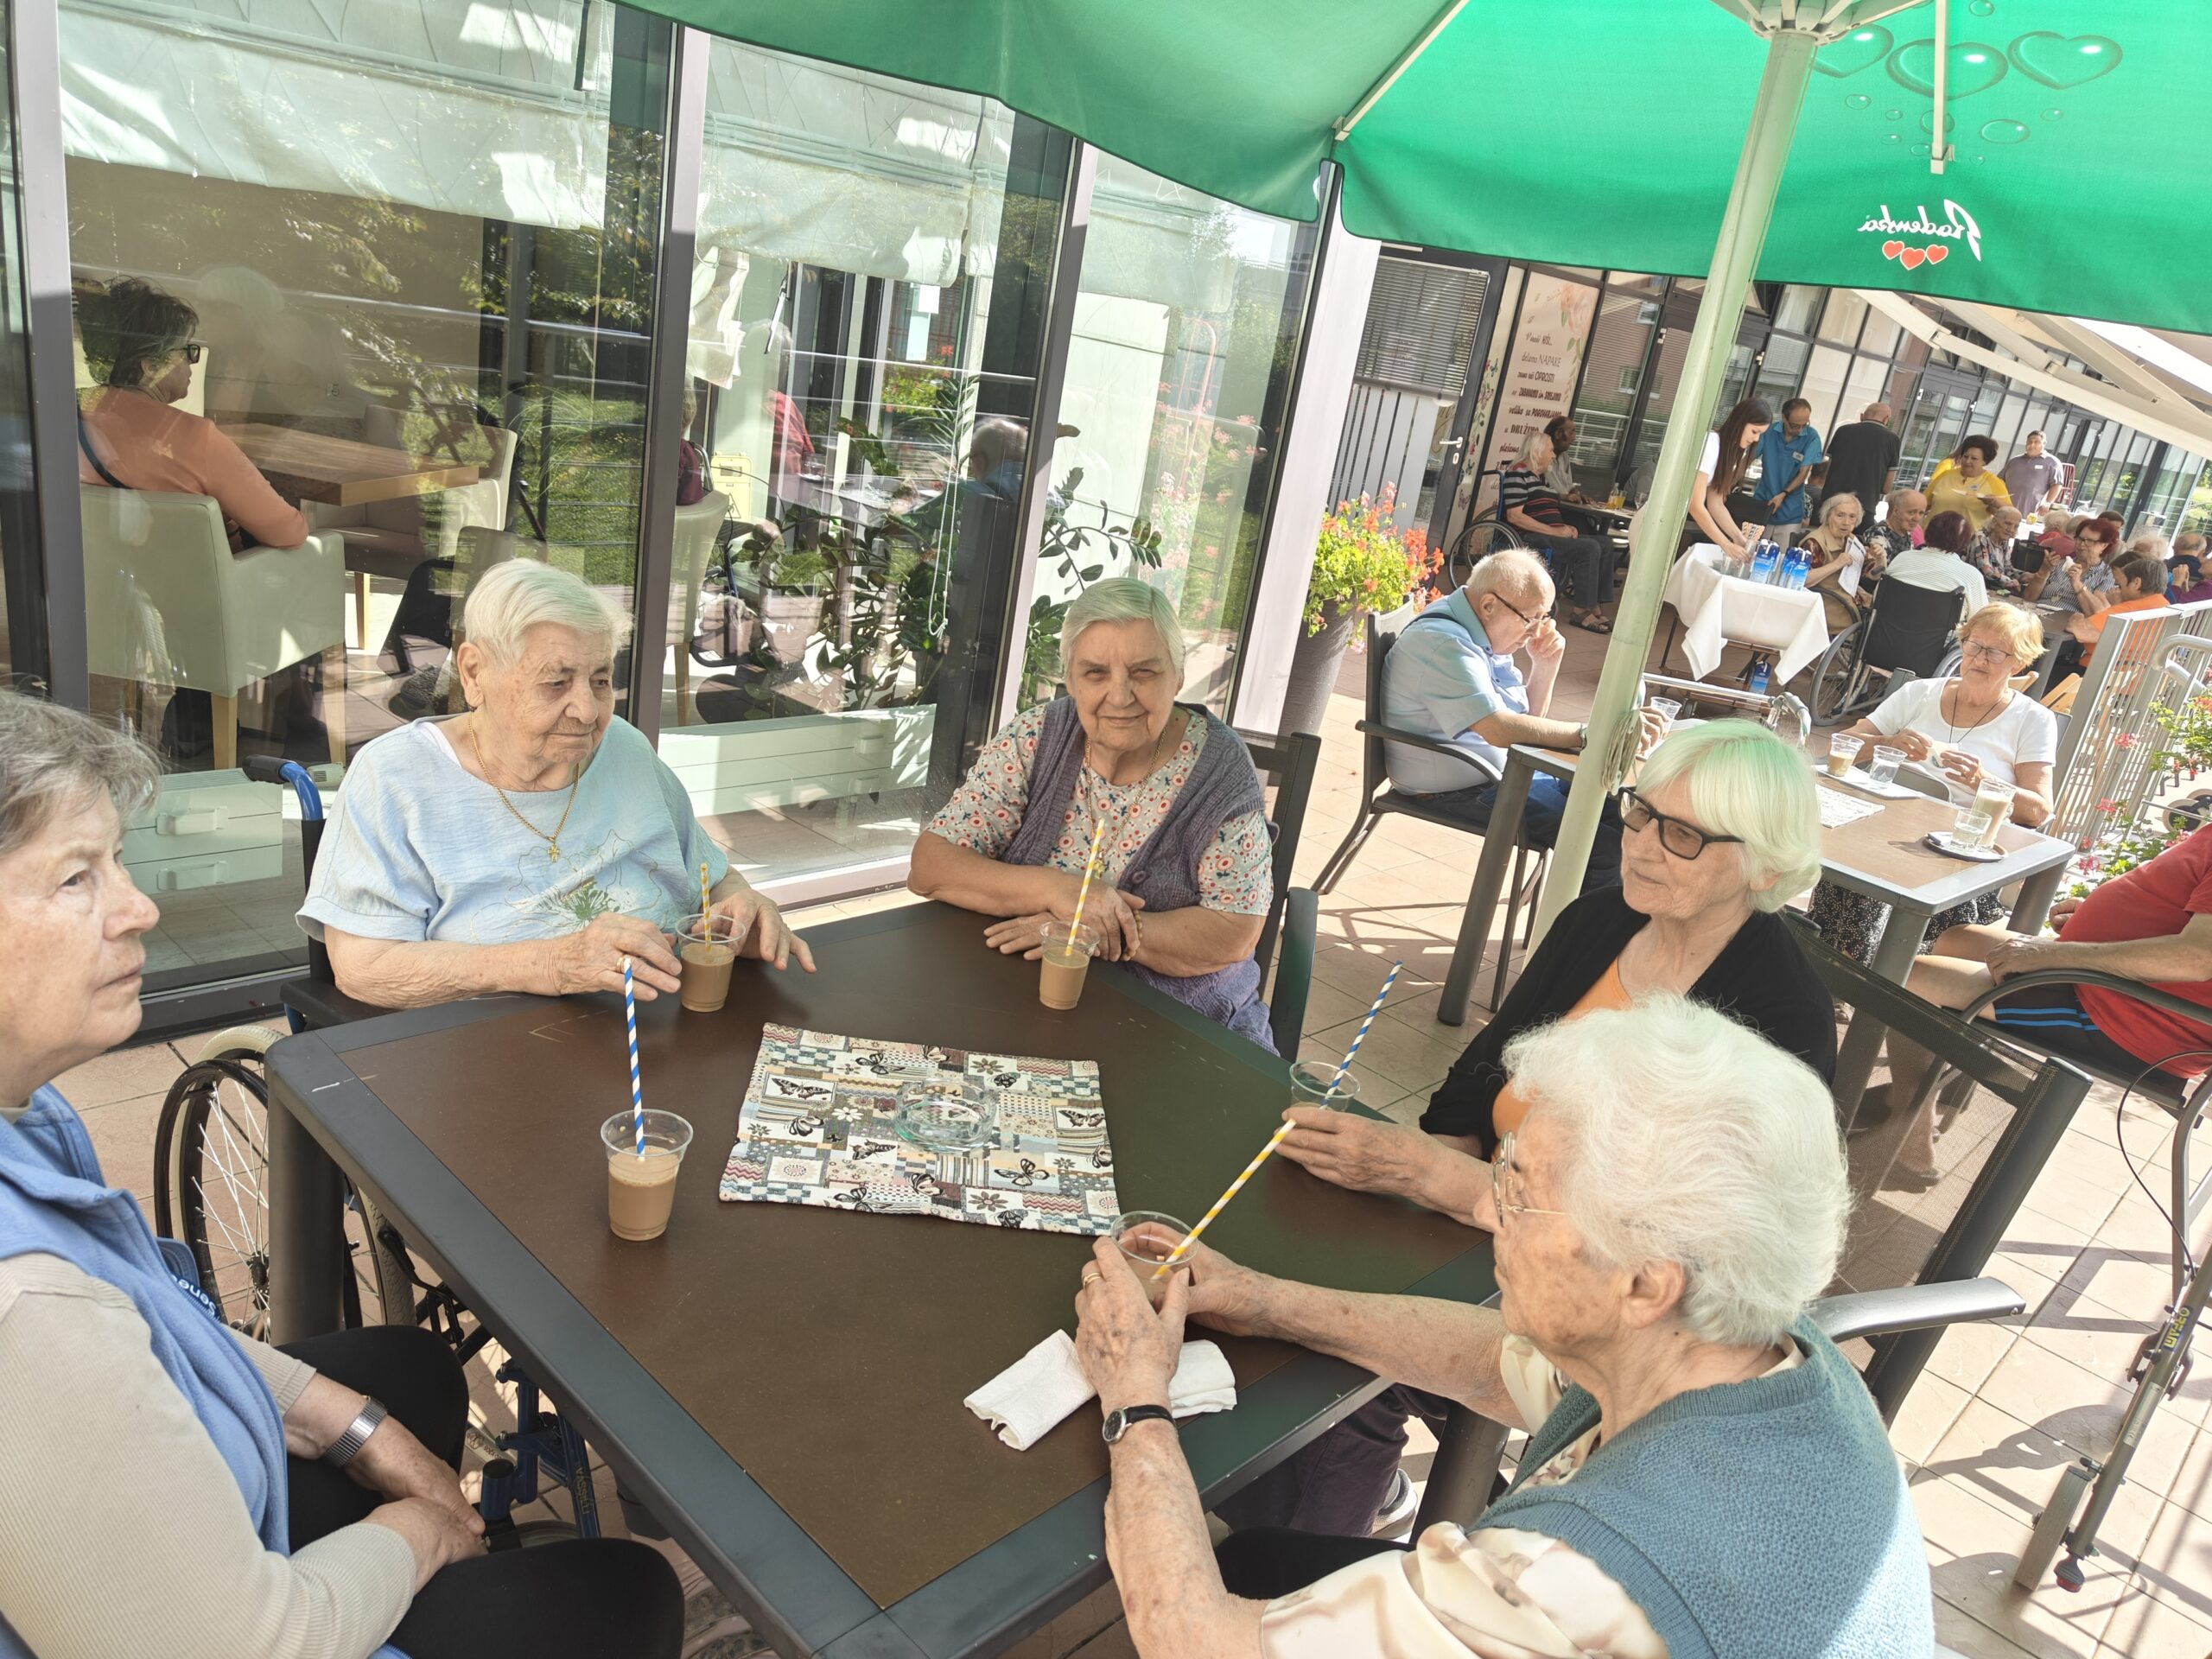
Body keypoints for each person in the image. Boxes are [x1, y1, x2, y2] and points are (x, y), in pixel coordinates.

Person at [0, 691, 684, 1658]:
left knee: (407, 1373)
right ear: (478, 673)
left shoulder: (25, 1109)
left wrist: (358, 1429)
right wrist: (422, 1532)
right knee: (626, 1593)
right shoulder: (30, 1320)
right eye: (76, 877)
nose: (140, 908)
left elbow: (157, 1321)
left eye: (117, 862)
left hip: (180, 1487)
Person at [1071, 1000, 1932, 1659]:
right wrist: (1261, 1298)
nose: (1492, 1209)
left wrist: (1134, 1393)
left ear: (1643, 1282)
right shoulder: (1754, 1346)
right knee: (1261, 1559)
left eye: (1521, 1190)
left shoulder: (1562, 1581)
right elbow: (1497, 1365)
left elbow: (1191, 1636)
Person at [1220, 721, 1834, 1538]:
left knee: (1347, 1358)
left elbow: (1664, 1260)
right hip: (1488, 1216)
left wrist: (1430, 1178)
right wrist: (1431, 1164)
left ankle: (1303, 1551)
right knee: (1288, 1243)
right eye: (1642, 813)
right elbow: (1477, 1080)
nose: (1643, 845)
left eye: (1683, 835)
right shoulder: (1600, 921)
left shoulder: (1780, 1019)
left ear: (1765, 865)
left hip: (1602, 1293)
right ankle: (1290, 1514)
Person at [302, 560, 811, 1008]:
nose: (587, 711)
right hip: (493, 1048)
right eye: (556, 682)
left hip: (660, 1027)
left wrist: (743, 911)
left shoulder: (625, 748)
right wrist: (549, 965)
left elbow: (712, 878)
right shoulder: (396, 777)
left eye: (601, 680)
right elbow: (365, 967)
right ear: (475, 673)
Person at [909, 578, 1278, 1046]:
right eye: (1095, 673)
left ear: (1178, 675)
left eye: (1144, 672)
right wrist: (1060, 891)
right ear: (1070, 679)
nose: (1120, 696)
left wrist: (1089, 930)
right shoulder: (1036, 738)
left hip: (1175, 1030)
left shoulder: (1220, 771)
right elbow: (930, 866)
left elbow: (1235, 933)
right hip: (1020, 1007)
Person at [1877, 824, 2212, 1187]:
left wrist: (2056, 954)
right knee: (1956, 938)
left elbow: (2197, 957)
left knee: (1910, 977)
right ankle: (1920, 1089)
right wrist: (2107, 921)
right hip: (2117, 990)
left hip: (2128, 1019)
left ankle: (1910, 1143)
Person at [1376, 549, 1664, 896]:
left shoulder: (1477, 630)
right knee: (1601, 849)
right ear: (1489, 605)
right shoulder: (1444, 643)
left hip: (1502, 772)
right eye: (1532, 618)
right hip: (1459, 789)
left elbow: (1525, 724)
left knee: (1618, 810)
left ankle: (1611, 922)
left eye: (1545, 617)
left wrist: (1545, 665)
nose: (1538, 630)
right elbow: (1500, 729)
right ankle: (1575, 930)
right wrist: (1596, 735)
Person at [1809, 603, 2057, 968]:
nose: (1979, 658)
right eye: (1973, 645)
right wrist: (1887, 743)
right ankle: (1838, 965)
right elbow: (1840, 746)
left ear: (2018, 663)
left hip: (1956, 856)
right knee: (1855, 859)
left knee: (1876, 873)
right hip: (1881, 828)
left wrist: (1983, 782)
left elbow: (2038, 810)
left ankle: (1855, 970)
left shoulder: (2032, 720)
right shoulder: (1920, 694)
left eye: (1995, 652)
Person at [74, 277, 309, 550]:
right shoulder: (195, 439)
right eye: (185, 350)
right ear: (152, 367)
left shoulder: (67, 419)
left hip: (101, 571)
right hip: (201, 576)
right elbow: (289, 532)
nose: (192, 361)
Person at [1499, 429, 1617, 632]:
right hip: (1531, 536)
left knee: (1605, 543)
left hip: (1550, 533)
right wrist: (1555, 531)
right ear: (1537, 451)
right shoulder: (1517, 474)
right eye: (1550, 451)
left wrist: (1565, 526)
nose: (1554, 455)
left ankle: (1594, 604)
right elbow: (1515, 517)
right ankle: (1581, 611)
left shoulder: (1540, 478)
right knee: (1589, 548)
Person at [2048, 555, 2171, 685]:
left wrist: (2077, 617)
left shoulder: (2130, 609)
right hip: (2138, 682)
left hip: (2102, 680)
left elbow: (2080, 631)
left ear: (2136, 583)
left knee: (2041, 672)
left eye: (2120, 585)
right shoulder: (2165, 607)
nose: (2118, 590)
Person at [1684, 397, 1770, 552]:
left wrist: (1739, 539)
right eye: (1754, 431)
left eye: (1760, 434)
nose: (1756, 439)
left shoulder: (1729, 451)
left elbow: (1716, 504)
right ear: (1740, 421)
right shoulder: (1710, 444)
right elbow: (1695, 505)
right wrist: (1725, 544)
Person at [1882, 507, 1988, 617]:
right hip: (1944, 628)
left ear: (1928, 532)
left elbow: (1878, 599)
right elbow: (1981, 620)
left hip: (1887, 626)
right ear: (1965, 542)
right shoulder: (1971, 576)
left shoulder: (1901, 559)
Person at [1794, 491, 1872, 629]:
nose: (1846, 522)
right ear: (1828, 516)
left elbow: (1871, 575)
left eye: (1852, 517)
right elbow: (1801, 580)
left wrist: (1880, 559)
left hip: (1854, 603)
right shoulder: (1815, 542)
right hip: (1830, 606)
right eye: (1840, 515)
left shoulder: (1851, 539)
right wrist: (1836, 564)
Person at [1815, 402, 1900, 521]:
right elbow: (1886, 488)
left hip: (1831, 503)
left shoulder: (1843, 431)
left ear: (1862, 416)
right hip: (1864, 507)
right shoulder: (1892, 439)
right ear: (1886, 419)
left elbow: (1829, 470)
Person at [1750, 397, 1821, 537]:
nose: (1800, 430)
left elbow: (1803, 473)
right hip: (1763, 503)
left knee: (1784, 550)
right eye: (1795, 425)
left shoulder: (1811, 437)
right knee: (1752, 547)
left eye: (1804, 425)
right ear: (1784, 417)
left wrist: (1784, 494)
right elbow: (1747, 460)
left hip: (1791, 512)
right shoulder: (1768, 432)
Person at [2022, 512, 2120, 616]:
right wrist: (2043, 572)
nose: (2081, 545)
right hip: (2037, 614)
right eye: (2079, 539)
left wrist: (2077, 584)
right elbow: (2028, 598)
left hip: (2068, 622)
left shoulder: (2107, 575)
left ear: (2104, 545)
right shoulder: (2060, 563)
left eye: (2089, 541)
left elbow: (2097, 613)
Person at [1925, 435, 2012, 532]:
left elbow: (2013, 514)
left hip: (1966, 540)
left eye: (1974, 458)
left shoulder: (1994, 483)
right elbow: (1925, 503)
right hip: (1929, 536)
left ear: (1985, 461)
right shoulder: (1945, 475)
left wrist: (1994, 502)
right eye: (1965, 456)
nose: (1967, 461)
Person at [1862, 486, 1928, 580]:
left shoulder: (1906, 533)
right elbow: (1872, 574)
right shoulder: (1878, 534)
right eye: (1911, 512)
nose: (1916, 518)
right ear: (1896, 511)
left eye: (1921, 513)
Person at [1999, 429, 2065, 515]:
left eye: (2036, 442)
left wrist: (2047, 503)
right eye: (2029, 442)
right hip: (2004, 507)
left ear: (2044, 443)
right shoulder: (2014, 461)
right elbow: (1999, 480)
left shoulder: (2052, 462)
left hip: (2030, 510)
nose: (2032, 445)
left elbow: (2057, 484)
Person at [1966, 505, 2026, 595]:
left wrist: (2025, 576)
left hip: (1996, 591)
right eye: (2007, 524)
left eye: (2016, 526)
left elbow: (2007, 569)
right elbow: (1987, 573)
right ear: (1994, 522)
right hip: (1977, 590)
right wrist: (2011, 582)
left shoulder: (2004, 541)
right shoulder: (1980, 538)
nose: (2011, 530)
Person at [1540, 415, 1589, 501]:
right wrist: (1563, 497)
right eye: (1571, 432)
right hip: (1549, 504)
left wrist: (1578, 496)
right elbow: (1536, 492)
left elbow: (1569, 487)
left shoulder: (1564, 456)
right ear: (1558, 434)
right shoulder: (1539, 455)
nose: (1574, 438)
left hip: (1564, 505)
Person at [2170, 531, 2212, 603]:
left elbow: (2174, 604)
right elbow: (2190, 601)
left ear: (2175, 549)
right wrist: (2184, 586)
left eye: (2210, 560)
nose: (2205, 560)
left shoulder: (2208, 587)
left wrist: (2177, 582)